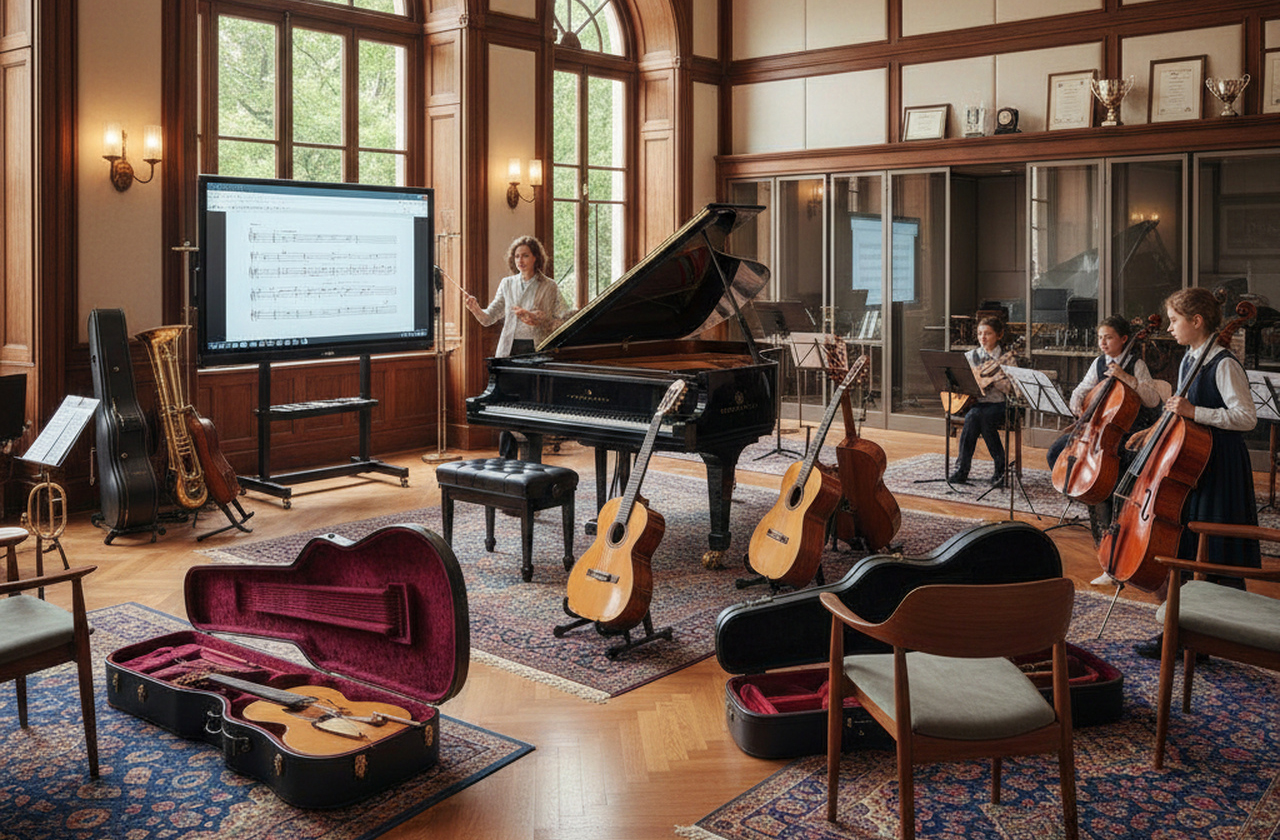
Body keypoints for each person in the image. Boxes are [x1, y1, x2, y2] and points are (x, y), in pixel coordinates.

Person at [1132, 287, 1259, 659]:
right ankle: (1185, 634)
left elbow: (1246, 418)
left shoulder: (1223, 364)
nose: (1170, 328)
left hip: (1220, 465)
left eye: (1175, 321)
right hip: (1194, 464)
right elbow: (1179, 408)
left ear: (1197, 321)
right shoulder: (1190, 358)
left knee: (1217, 551)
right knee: (1190, 547)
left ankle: (1220, 637)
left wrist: (1195, 413)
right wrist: (1153, 429)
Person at [1046, 315, 1163, 574]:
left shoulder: (1136, 364)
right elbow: (1082, 389)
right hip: (1097, 429)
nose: (1103, 342)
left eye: (1108, 337)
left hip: (1128, 432)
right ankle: (1084, 495)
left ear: (1124, 339)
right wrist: (1077, 404)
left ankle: (1112, 531)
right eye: (1100, 337)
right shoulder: (1099, 363)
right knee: (1056, 451)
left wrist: (1125, 377)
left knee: (1104, 479)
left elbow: (1153, 400)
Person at [464, 235, 573, 458]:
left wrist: (538, 318)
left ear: (535, 258)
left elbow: (563, 319)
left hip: (535, 353)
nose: (520, 260)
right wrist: (475, 308)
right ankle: (506, 461)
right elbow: (488, 318)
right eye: (516, 256)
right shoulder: (507, 284)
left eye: (525, 255)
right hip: (508, 353)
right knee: (505, 406)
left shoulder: (549, 286)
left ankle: (532, 461)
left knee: (532, 409)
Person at [949, 316, 1014, 488]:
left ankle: (962, 470)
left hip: (1000, 405)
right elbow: (960, 382)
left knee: (977, 417)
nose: (982, 338)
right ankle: (1000, 469)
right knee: (976, 416)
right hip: (975, 403)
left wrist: (996, 379)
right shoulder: (971, 356)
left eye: (988, 333)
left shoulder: (1006, 358)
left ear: (999, 335)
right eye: (979, 334)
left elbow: (1011, 390)